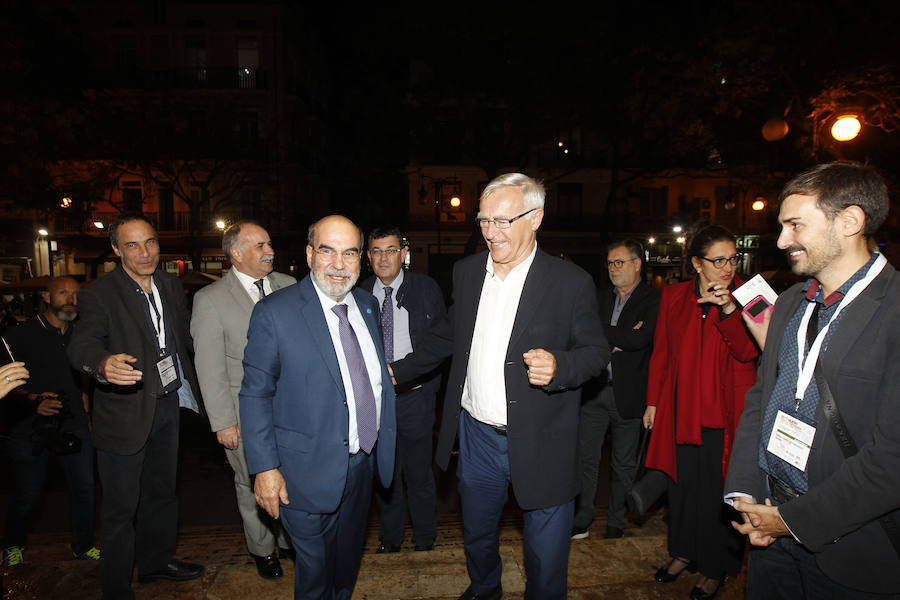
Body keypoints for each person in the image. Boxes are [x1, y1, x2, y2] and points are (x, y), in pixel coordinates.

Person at [390, 173, 608, 600]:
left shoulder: (570, 282)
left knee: (545, 553)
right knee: (478, 533)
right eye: (484, 221)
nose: (491, 232)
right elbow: (448, 336)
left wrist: (561, 366)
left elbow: (597, 353)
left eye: (504, 220)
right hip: (477, 437)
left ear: (536, 218)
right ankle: (485, 587)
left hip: (544, 439)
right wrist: (396, 371)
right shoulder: (468, 272)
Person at [725, 161, 900, 599]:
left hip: (854, 550)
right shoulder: (787, 305)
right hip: (769, 535)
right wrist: (745, 495)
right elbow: (761, 398)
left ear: (850, 221)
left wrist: (795, 521)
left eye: (795, 225)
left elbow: (891, 460)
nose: (783, 241)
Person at [239, 215, 396, 599]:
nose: (339, 264)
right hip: (302, 474)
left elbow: (363, 369)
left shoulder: (366, 304)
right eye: (328, 251)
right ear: (310, 254)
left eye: (350, 253)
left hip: (362, 464)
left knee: (345, 565)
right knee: (315, 572)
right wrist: (264, 468)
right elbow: (255, 394)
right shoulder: (276, 312)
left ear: (361, 259)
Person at [68, 212, 204, 599]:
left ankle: (156, 562)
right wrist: (102, 363)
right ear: (115, 250)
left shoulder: (170, 285)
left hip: (167, 405)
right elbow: (81, 344)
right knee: (120, 508)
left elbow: (185, 336)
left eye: (150, 243)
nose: (144, 253)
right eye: (131, 245)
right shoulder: (99, 294)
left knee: (163, 493)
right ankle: (115, 587)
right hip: (123, 413)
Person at [643, 224, 758, 600]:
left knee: (717, 496)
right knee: (681, 491)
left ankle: (713, 569)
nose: (727, 267)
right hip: (681, 412)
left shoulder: (752, 294)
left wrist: (728, 307)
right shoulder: (675, 296)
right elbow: (662, 352)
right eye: (718, 260)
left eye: (732, 258)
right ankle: (682, 553)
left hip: (725, 416)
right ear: (696, 263)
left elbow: (749, 351)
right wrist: (654, 403)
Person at [190, 221, 296, 579]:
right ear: (235, 253)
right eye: (260, 246)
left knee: (291, 479)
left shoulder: (290, 285)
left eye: (269, 243)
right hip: (243, 415)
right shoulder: (210, 300)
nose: (270, 251)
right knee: (252, 485)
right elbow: (209, 366)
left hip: (293, 412)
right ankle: (263, 550)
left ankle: (288, 542)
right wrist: (222, 422)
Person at [358, 226, 446, 553]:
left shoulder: (426, 289)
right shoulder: (359, 293)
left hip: (417, 398)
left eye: (391, 250)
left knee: (420, 475)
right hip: (377, 402)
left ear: (403, 254)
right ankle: (390, 539)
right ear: (368, 257)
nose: (384, 258)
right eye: (377, 251)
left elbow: (441, 342)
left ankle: (425, 538)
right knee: (386, 475)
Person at [1, 277, 99, 566]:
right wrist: (32, 400)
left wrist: (85, 400)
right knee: (28, 492)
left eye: (76, 294)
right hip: (30, 425)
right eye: (63, 293)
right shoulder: (19, 335)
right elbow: (6, 383)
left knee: (84, 488)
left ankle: (82, 545)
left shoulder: (80, 334)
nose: (71, 299)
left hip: (74, 422)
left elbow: (85, 370)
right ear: (46, 296)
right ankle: (13, 545)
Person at [572, 240, 660, 540]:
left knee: (623, 463)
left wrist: (606, 334)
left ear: (638, 264)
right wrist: (621, 336)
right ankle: (581, 519)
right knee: (586, 459)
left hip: (630, 393)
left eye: (619, 262)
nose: (613, 269)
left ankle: (616, 522)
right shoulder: (598, 297)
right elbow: (581, 332)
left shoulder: (652, 300)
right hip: (594, 391)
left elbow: (641, 340)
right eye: (609, 263)